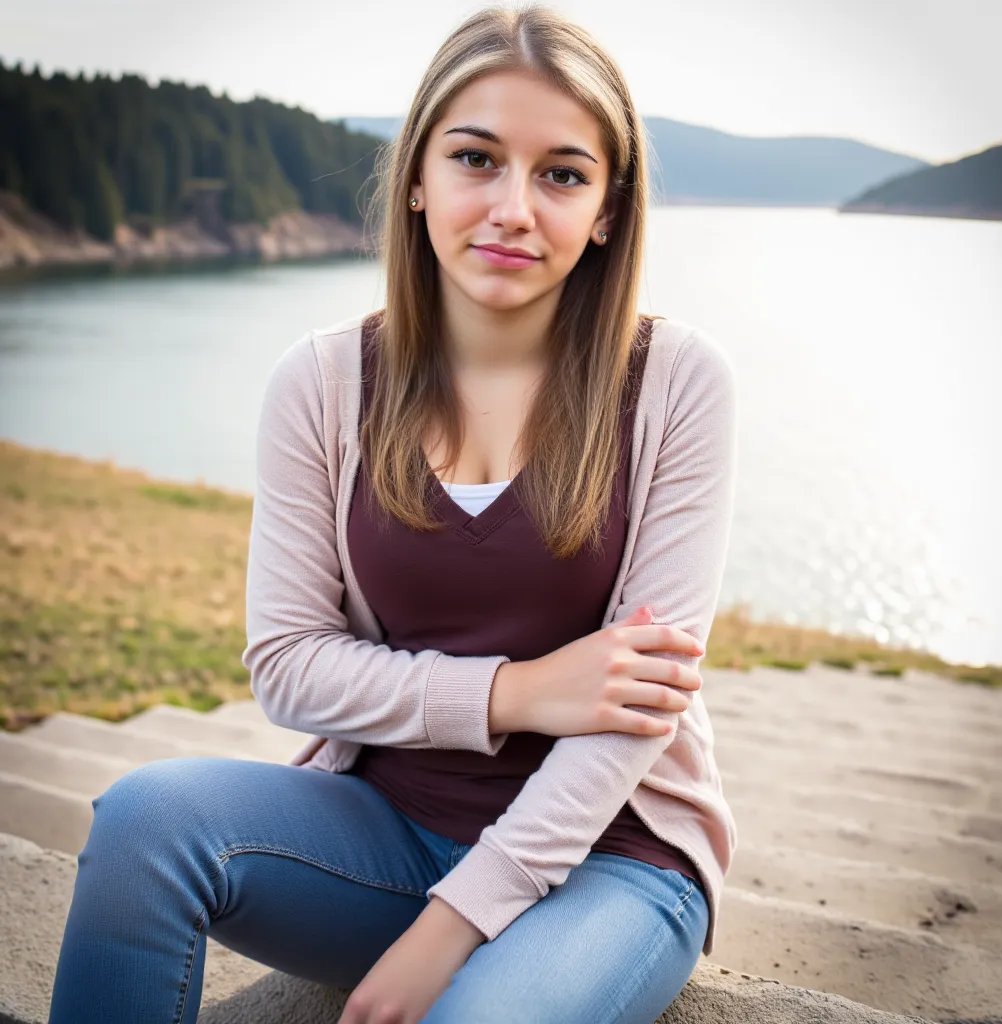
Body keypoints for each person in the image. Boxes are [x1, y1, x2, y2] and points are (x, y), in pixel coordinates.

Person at [47, 4, 739, 1022]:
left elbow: (636, 710)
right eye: (475, 159)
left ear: (605, 208)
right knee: (146, 819)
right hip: (382, 830)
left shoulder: (679, 382)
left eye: (560, 173)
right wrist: (516, 693)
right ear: (416, 176)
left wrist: (451, 924)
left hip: (608, 859)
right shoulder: (323, 381)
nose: (512, 206)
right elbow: (287, 662)